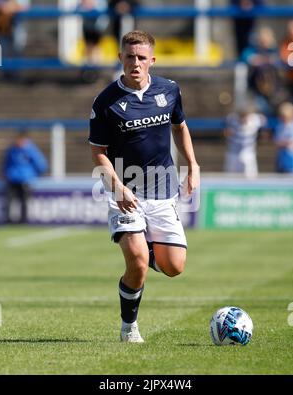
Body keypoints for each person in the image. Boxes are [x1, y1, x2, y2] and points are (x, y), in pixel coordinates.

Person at [89, 31, 200, 342]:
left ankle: (145, 247)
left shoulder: (170, 90)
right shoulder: (106, 101)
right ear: (120, 58)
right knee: (137, 261)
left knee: (174, 267)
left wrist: (192, 165)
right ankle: (129, 328)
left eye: (141, 58)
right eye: (129, 57)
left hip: (164, 190)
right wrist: (116, 186)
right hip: (125, 191)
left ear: (152, 60)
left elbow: (180, 127)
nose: (135, 63)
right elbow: (98, 151)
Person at [2, 130, 48, 224]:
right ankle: (9, 221)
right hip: (13, 179)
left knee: (24, 201)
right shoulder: (12, 150)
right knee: (10, 201)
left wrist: (36, 175)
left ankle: (23, 221)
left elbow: (40, 164)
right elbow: (7, 163)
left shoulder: (31, 150)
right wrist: (6, 173)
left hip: (25, 180)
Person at [241, 26, 281, 116]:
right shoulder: (253, 50)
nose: (264, 43)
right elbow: (245, 56)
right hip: (256, 89)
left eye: (266, 40)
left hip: (273, 90)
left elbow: (280, 58)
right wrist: (256, 59)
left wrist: (269, 59)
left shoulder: (274, 50)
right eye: (262, 40)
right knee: (260, 110)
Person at [224, 107, 266, 178]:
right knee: (231, 176)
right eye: (242, 116)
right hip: (233, 153)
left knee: (250, 177)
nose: (244, 118)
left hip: (248, 153)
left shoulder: (255, 120)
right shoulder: (232, 120)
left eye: (246, 115)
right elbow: (226, 130)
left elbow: (264, 121)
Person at [274, 102, 293, 173]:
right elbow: (277, 141)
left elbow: (292, 142)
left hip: (292, 158)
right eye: (282, 117)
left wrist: (285, 143)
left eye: (286, 117)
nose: (283, 119)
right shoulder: (279, 127)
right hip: (282, 158)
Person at [280, 20, 293, 104]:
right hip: (292, 79)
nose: (291, 32)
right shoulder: (286, 42)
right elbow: (285, 58)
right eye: (290, 30)